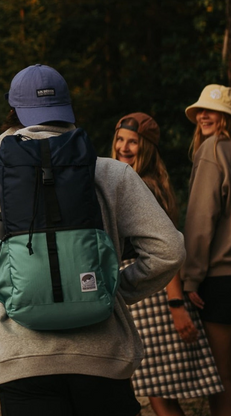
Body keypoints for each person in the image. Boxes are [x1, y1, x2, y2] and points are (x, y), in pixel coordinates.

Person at [0, 64, 186, 416]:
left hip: (21, 363)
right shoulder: (113, 174)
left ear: (13, 113)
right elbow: (169, 250)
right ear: (66, 109)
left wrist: (13, 300)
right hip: (103, 358)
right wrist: (110, 290)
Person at [112, 112, 223, 416]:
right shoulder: (139, 181)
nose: (124, 147)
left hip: (153, 294)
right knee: (156, 390)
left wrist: (176, 304)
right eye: (120, 139)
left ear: (146, 147)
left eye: (133, 142)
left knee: (157, 391)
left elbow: (165, 250)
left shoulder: (143, 186)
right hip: (146, 289)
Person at [182, 84, 231, 416]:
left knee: (223, 381)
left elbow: (202, 217)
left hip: (220, 281)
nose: (203, 115)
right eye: (200, 110)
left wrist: (191, 278)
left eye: (211, 110)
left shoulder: (213, 149)